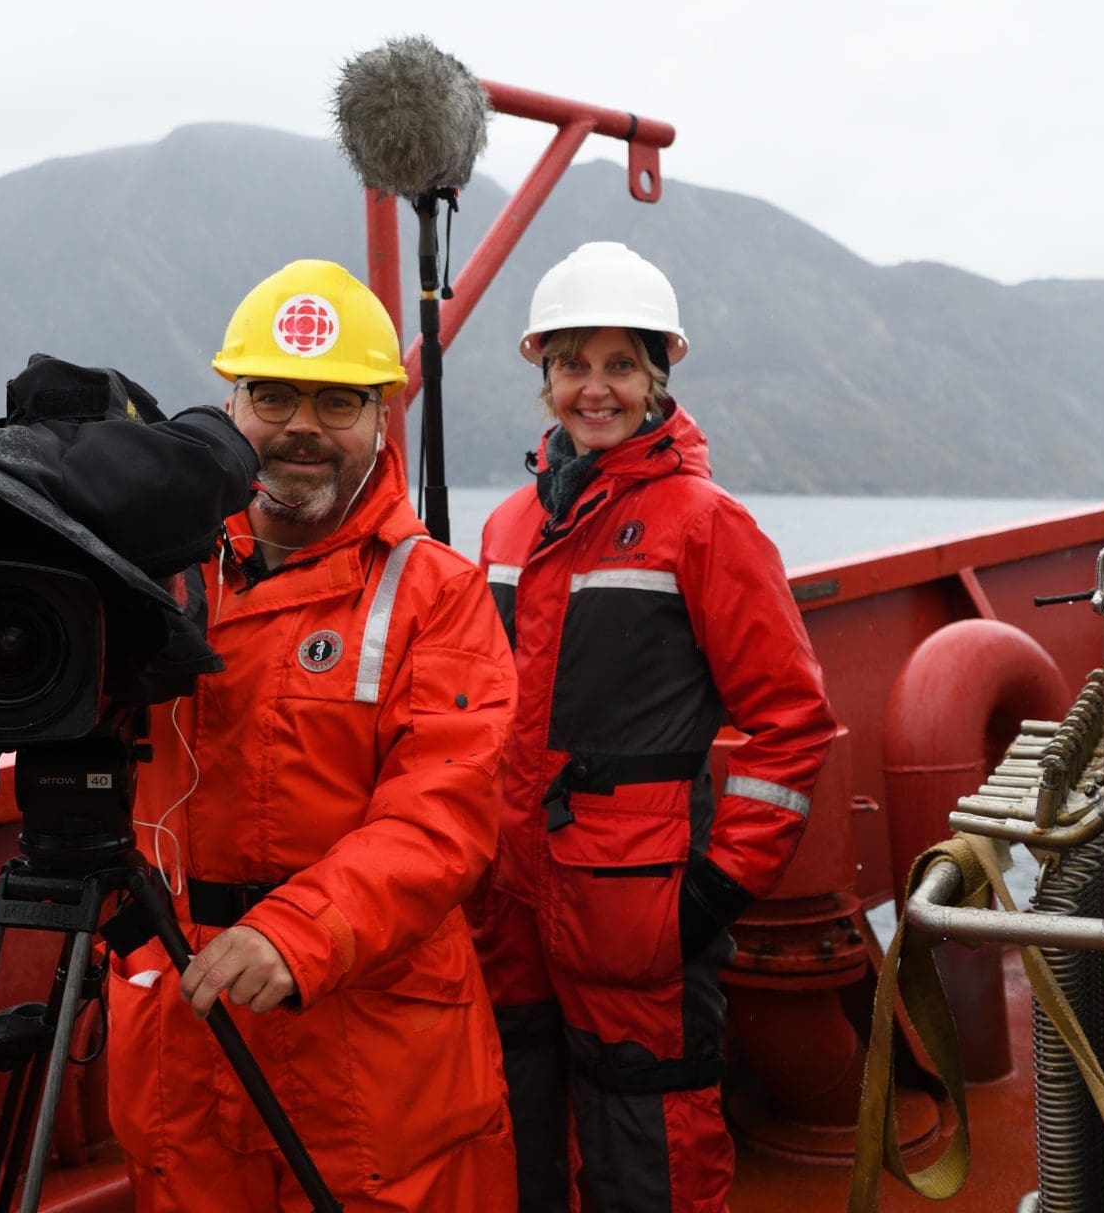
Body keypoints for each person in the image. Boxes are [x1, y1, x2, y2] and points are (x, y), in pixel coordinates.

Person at [105, 259, 519, 1211]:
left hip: (368, 1047)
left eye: (337, 403)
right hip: (183, 1018)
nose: (301, 427)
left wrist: (296, 933)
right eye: (274, 395)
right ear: (230, 406)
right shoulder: (154, 573)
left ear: (382, 420)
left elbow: (441, 821)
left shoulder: (437, 596)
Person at [474, 241, 836, 1212]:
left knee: (653, 1156)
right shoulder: (507, 528)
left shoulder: (704, 524)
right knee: (519, 1135)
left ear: (657, 377)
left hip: (641, 910)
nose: (596, 389)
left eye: (620, 365)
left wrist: (716, 892)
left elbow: (790, 721)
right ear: (543, 376)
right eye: (573, 364)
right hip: (512, 901)